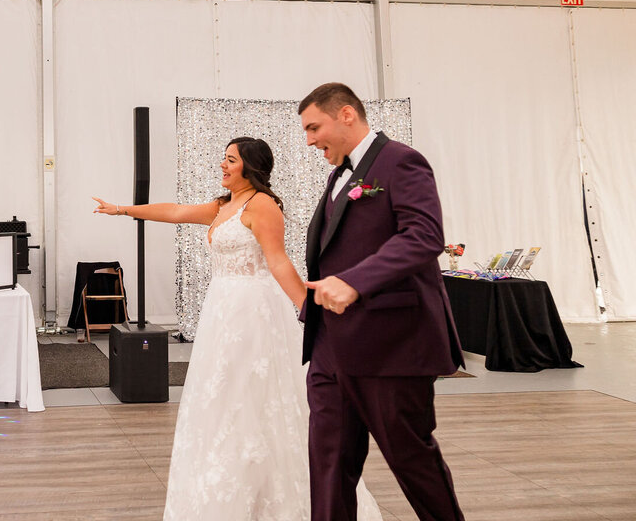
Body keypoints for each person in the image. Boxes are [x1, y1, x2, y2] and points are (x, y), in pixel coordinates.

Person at [94, 137, 380, 520]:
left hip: (253, 312)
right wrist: (122, 210)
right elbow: (176, 211)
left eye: (230, 160)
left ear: (250, 166)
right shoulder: (221, 206)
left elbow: (278, 262)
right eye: (223, 159)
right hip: (222, 310)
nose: (223, 166)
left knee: (255, 397)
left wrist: (308, 312)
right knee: (223, 398)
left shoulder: (262, 206)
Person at [298, 82, 464, 521]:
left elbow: (425, 236)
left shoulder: (401, 162)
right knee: (329, 466)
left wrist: (354, 282)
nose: (310, 139)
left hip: (391, 346)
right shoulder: (339, 175)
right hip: (330, 348)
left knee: (412, 462)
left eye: (314, 127)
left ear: (347, 115)